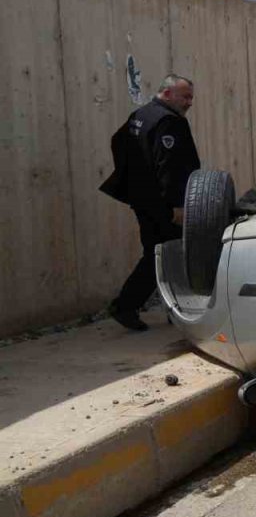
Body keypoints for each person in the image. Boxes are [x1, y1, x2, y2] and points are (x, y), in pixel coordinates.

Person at [99, 74, 200, 331]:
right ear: (166, 94)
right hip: (163, 203)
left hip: (144, 198)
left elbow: (117, 141)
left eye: (191, 97)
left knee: (161, 252)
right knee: (168, 253)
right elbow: (170, 167)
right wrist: (177, 206)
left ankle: (159, 308)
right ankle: (127, 305)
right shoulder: (169, 121)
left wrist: (133, 179)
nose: (190, 102)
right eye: (185, 96)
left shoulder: (141, 115)